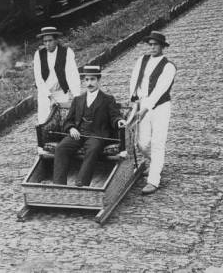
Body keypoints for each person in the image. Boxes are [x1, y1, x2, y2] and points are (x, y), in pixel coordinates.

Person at [52, 65, 124, 186]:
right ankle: (58, 185)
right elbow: (68, 120)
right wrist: (71, 128)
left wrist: (119, 121)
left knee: (93, 149)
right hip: (78, 134)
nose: (89, 83)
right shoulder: (78, 99)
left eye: (92, 79)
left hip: (97, 135)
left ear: (99, 80)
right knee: (61, 148)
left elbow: (114, 116)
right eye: (87, 80)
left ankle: (81, 183)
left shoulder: (108, 99)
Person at [129, 31, 176, 195]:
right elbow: (135, 79)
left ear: (162, 46)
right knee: (142, 143)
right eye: (150, 44)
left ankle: (154, 180)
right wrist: (134, 99)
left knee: (157, 143)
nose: (152, 47)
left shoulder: (168, 66)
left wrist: (145, 108)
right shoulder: (142, 60)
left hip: (160, 107)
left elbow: (158, 91)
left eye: (155, 44)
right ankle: (157, 162)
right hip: (142, 105)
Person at [33, 26, 80, 127]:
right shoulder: (39, 55)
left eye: (50, 40)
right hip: (45, 93)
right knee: (44, 121)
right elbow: (38, 79)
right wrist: (50, 97)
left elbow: (72, 75)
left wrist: (76, 96)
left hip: (61, 92)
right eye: (45, 41)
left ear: (56, 40)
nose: (47, 44)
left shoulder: (67, 52)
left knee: (62, 121)